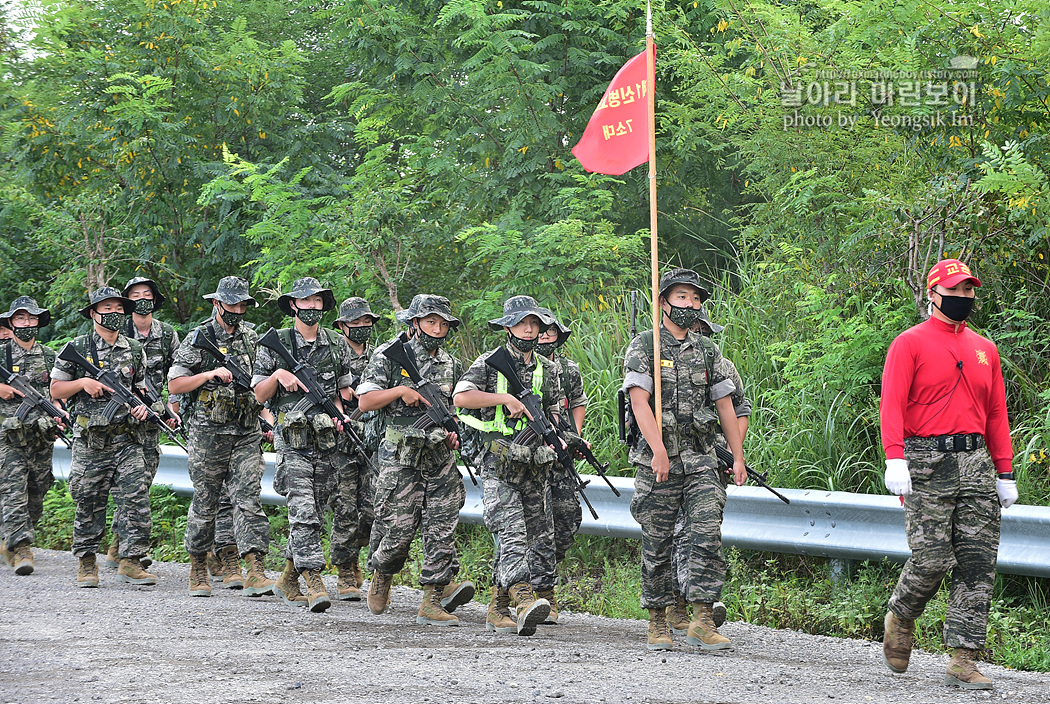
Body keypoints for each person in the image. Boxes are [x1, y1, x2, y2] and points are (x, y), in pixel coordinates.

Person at [880, 259, 1016, 690]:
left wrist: (1005, 470)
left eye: (969, 292)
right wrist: (894, 458)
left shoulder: (985, 349)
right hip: (926, 461)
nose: (963, 298)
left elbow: (995, 412)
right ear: (933, 294)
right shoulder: (910, 343)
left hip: (976, 462)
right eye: (955, 291)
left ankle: (963, 657)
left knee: (978, 563)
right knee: (933, 558)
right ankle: (901, 616)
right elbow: (892, 402)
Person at [621, 268, 746, 651]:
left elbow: (726, 404)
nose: (689, 305)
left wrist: (737, 457)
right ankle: (658, 620)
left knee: (706, 535)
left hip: (702, 459)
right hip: (659, 461)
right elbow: (638, 403)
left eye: (695, 299)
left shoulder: (708, 350)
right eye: (681, 298)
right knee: (657, 540)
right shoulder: (645, 346)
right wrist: (658, 450)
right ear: (663, 302)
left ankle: (702, 618)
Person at [358, 294, 474, 626]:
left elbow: (451, 407)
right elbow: (365, 402)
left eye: (442, 324)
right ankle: (383, 569)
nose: (437, 330)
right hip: (400, 459)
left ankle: (433, 598)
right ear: (414, 323)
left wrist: (452, 434)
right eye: (430, 322)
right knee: (398, 531)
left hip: (438, 458)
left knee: (442, 527)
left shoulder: (450, 363)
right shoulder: (388, 356)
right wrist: (400, 391)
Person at [454, 295, 563, 636]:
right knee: (511, 531)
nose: (528, 329)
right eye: (521, 323)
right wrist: (505, 398)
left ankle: (498, 606)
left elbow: (555, 411)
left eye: (534, 324)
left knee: (532, 536)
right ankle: (523, 599)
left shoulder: (549, 369)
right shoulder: (489, 363)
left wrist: (553, 434)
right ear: (507, 327)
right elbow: (461, 397)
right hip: (499, 464)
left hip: (534, 468)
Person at [168, 276, 275, 599]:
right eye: (233, 304)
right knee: (206, 500)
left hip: (245, 431)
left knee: (248, 498)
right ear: (217, 303)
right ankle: (198, 565)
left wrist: (268, 420)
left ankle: (254, 568)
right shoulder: (198, 338)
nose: (238, 310)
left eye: (243, 304)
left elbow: (261, 387)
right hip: (208, 432)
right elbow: (175, 386)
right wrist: (208, 375)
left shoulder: (252, 337)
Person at [253, 277, 353, 613]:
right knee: (304, 512)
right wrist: (278, 376)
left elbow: (341, 394)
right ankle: (313, 580)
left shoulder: (337, 344)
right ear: (293, 305)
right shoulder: (275, 342)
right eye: (305, 301)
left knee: (316, 511)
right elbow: (258, 395)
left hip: (325, 441)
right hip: (291, 442)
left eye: (317, 302)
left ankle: (286, 577)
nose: (311, 307)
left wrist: (342, 417)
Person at [51, 287, 156, 587]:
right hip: (91, 441)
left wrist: (142, 409)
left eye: (118, 308)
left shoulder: (135, 349)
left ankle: (131, 561)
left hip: (127, 439)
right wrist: (83, 382)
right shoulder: (77, 347)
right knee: (89, 500)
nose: (114, 313)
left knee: (136, 498)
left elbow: (141, 390)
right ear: (94, 313)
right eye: (106, 308)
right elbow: (56, 390)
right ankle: (87, 562)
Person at [667, 304, 751, 635]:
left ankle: (701, 603)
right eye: (694, 330)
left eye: (703, 331)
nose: (697, 335)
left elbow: (739, 411)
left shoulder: (723, 367)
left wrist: (732, 453)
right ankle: (677, 602)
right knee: (676, 531)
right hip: (674, 459)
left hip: (710, 458)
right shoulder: (663, 361)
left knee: (704, 529)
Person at [102, 277, 181, 569]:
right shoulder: (117, 331)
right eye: (135, 295)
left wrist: (173, 408)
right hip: (119, 419)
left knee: (143, 480)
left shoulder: (167, 333)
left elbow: (177, 375)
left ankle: (119, 543)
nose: (142, 299)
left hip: (153, 415)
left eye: (147, 294)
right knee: (125, 483)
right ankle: (123, 546)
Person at [0, 297, 65, 575]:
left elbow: (58, 392)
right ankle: (21, 547)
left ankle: (11, 538)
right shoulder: (2, 354)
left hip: (41, 434)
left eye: (31, 319)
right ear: (11, 323)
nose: (26, 324)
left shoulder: (51, 356)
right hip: (9, 436)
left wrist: (59, 411)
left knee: (38, 489)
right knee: (13, 489)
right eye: (20, 319)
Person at [534, 309, 586, 624]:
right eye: (540, 331)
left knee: (566, 522)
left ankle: (541, 584)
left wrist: (574, 437)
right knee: (536, 526)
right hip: (527, 455)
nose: (543, 337)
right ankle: (541, 594)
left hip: (560, 457)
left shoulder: (567, 370)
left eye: (550, 332)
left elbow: (577, 402)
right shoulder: (519, 367)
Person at [329, 296, 380, 600]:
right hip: (341, 444)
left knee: (374, 509)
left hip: (373, 442)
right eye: (356, 322)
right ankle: (346, 569)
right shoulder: (332, 353)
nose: (362, 327)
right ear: (342, 326)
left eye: (366, 322)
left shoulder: (381, 356)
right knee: (345, 508)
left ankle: (370, 564)